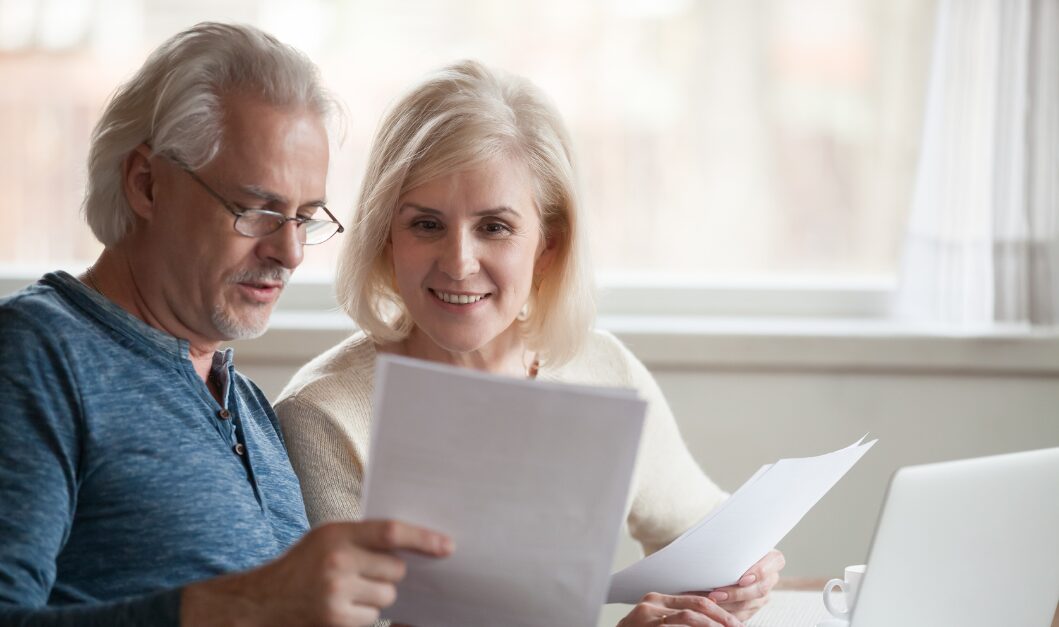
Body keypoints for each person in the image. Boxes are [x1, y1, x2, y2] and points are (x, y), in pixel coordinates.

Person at [275, 60, 785, 626]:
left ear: (548, 245)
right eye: (425, 224)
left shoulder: (602, 367)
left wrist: (744, 572)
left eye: (494, 227)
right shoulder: (324, 416)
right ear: (384, 236)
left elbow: (698, 526)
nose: (459, 262)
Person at [0, 22, 452, 627]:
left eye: (306, 217)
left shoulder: (250, 407)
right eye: (259, 210)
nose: (290, 253)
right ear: (147, 183)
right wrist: (243, 605)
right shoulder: (37, 356)